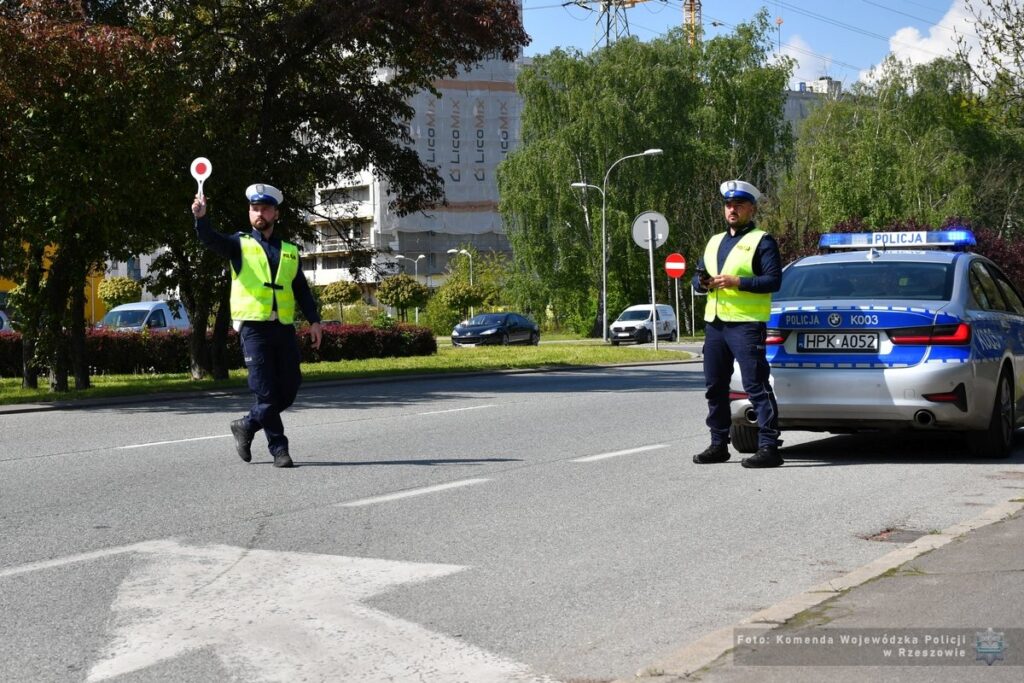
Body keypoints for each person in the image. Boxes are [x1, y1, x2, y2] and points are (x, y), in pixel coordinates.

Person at [191, 183, 323, 468]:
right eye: (254, 208)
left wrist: (314, 321)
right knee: (265, 392)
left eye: (264, 208)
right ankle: (279, 449)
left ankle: (247, 425)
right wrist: (201, 218)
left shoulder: (289, 251)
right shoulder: (239, 245)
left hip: (283, 328)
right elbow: (210, 239)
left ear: (275, 213)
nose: (258, 213)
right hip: (253, 329)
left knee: (288, 390)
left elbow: (300, 289)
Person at [691, 180, 783, 468]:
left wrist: (737, 282)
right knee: (715, 386)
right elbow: (698, 276)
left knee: (755, 385)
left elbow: (774, 280)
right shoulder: (715, 241)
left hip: (745, 324)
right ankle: (719, 444)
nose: (733, 210)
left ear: (751, 209)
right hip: (716, 324)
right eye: (729, 205)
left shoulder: (762, 240)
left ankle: (769, 446)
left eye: (739, 205)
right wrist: (702, 283)